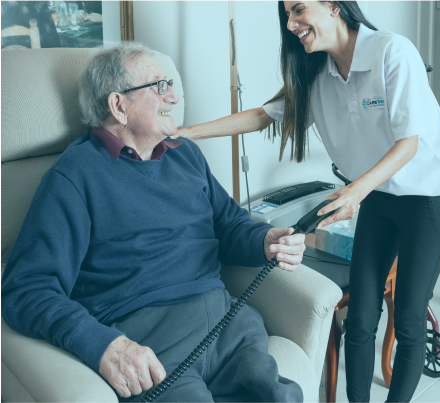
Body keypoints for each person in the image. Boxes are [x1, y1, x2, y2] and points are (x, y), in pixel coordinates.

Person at [172, 2, 440, 402]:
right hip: (379, 198)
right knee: (360, 319)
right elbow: (262, 116)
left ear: (332, 5)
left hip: (428, 199)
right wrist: (188, 133)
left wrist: (355, 190)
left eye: (297, 10)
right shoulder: (318, 75)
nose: (291, 25)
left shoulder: (391, 51)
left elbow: (409, 143)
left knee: (410, 320)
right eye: (286, 17)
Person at [1, 42, 306, 403]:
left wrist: (265, 238)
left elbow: (228, 224)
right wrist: (104, 346)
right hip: (153, 348)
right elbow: (26, 288)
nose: (174, 97)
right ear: (119, 105)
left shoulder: (185, 154)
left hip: (231, 330)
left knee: (283, 397)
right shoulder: (74, 176)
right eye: (159, 86)